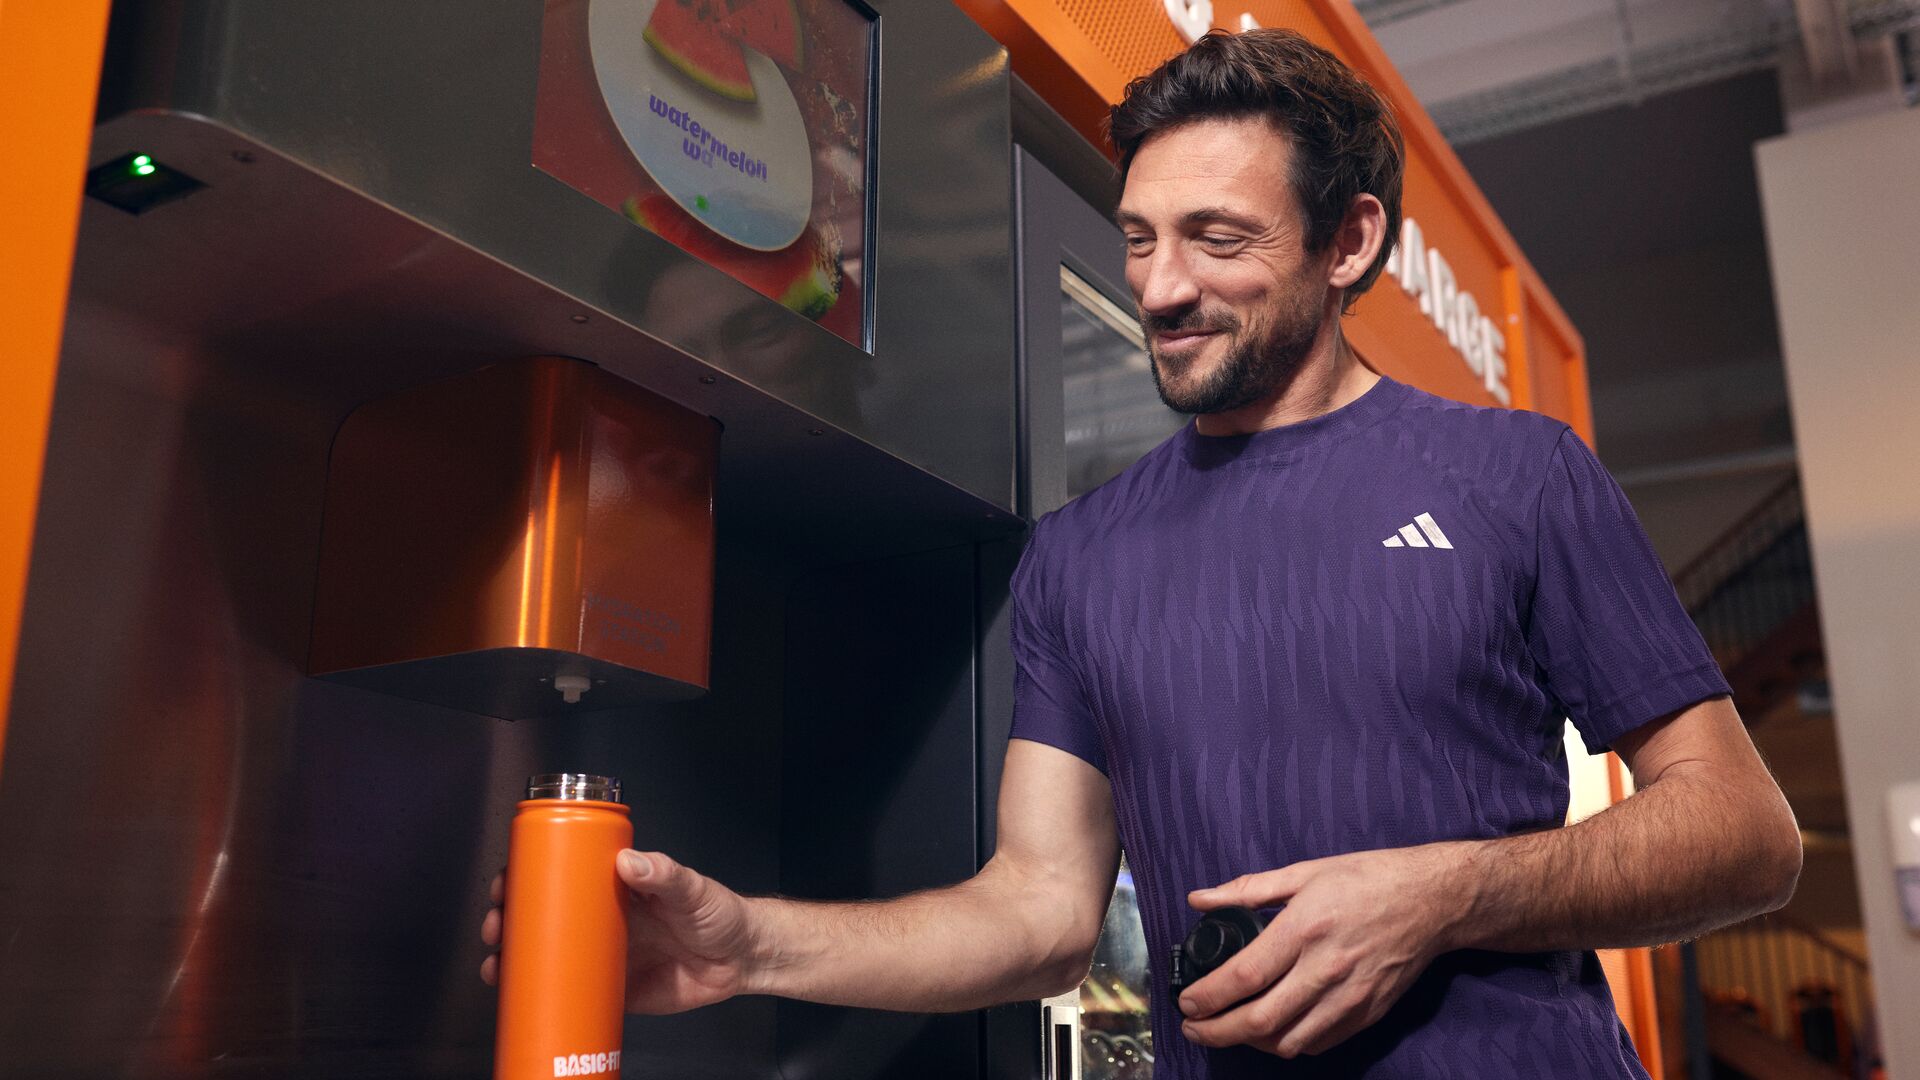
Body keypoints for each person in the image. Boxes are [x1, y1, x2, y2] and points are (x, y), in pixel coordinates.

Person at [481, 28, 1802, 1078]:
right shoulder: (1081, 559)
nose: (1161, 289)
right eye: (1141, 238)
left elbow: (1746, 836)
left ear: (1349, 243)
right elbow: (1041, 916)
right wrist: (750, 944)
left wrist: (1447, 892)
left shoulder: (1518, 475)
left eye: (1217, 240)